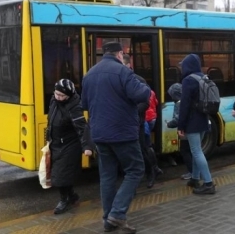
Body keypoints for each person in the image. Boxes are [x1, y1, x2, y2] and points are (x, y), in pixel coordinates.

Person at [81, 41, 150, 233]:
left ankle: (108, 220)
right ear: (120, 54)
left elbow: (84, 104)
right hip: (122, 133)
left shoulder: (90, 74)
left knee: (107, 176)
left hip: (100, 134)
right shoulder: (123, 71)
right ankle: (117, 214)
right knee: (135, 169)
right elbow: (142, 94)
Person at [46, 79, 94, 215]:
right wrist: (48, 139)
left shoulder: (75, 107)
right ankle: (71, 195)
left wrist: (87, 146)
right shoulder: (53, 101)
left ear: (69, 95)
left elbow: (82, 128)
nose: (59, 98)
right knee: (62, 173)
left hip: (69, 145)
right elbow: (51, 121)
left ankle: (64, 200)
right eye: (57, 94)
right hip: (56, 143)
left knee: (60, 175)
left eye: (62, 96)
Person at [177, 54, 215, 195]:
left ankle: (208, 183)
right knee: (196, 150)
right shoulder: (204, 77)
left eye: (183, 65)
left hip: (192, 121)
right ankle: (194, 178)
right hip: (204, 119)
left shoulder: (188, 80)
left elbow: (184, 105)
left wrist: (181, 125)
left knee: (197, 151)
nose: (181, 67)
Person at [123, 54, 163, 189]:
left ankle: (152, 171)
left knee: (142, 148)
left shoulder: (138, 80)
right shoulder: (117, 79)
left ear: (128, 65)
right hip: (125, 123)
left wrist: (130, 112)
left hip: (137, 122)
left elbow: (146, 103)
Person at [166, 83, 192, 180]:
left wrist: (168, 124)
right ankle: (195, 172)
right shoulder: (186, 101)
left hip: (184, 132)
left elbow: (178, 119)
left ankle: (191, 172)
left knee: (185, 151)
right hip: (190, 130)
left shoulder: (179, 103)